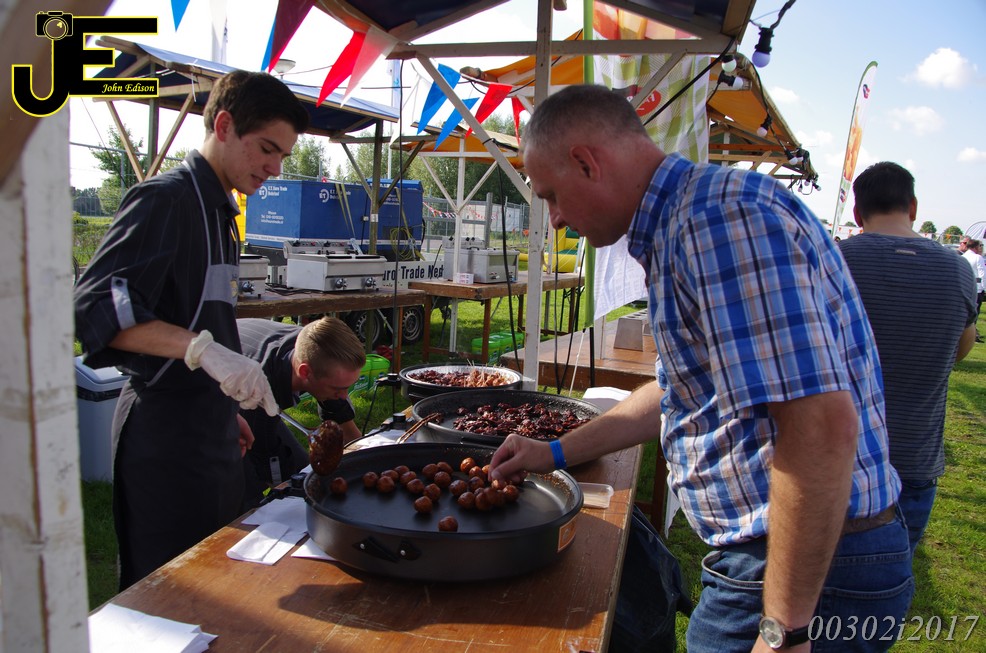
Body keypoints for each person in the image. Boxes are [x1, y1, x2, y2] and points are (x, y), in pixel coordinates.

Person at [489, 85, 912, 653]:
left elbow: (819, 425)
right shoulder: (686, 221)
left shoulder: (714, 221)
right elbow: (678, 391)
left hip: (805, 567)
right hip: (792, 557)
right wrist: (555, 451)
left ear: (586, 162)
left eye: (551, 196)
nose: (557, 218)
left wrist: (784, 631)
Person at [74, 70, 309, 590]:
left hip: (213, 429)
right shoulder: (167, 199)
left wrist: (222, 408)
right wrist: (202, 352)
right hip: (165, 438)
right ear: (224, 126)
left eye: (283, 156)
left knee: (217, 578)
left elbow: (198, 311)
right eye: (266, 148)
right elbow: (95, 307)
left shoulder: (222, 214)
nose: (274, 167)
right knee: (168, 592)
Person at [839, 162, 977, 555]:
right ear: (913, 207)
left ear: (857, 213)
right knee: (894, 572)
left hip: (841, 456)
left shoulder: (835, 260)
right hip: (915, 458)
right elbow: (960, 350)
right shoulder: (958, 270)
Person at [238, 317, 365, 511]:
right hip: (206, 392)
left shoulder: (317, 348)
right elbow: (264, 457)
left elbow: (347, 428)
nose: (344, 395)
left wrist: (368, 465)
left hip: (255, 363)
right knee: (245, 493)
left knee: (302, 469)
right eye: (338, 389)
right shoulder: (257, 391)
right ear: (305, 372)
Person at [961, 238, 985, 341]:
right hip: (977, 288)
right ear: (976, 247)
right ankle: (973, 335)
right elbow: (982, 274)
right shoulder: (978, 257)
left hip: (965, 287)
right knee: (975, 313)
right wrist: (984, 287)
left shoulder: (963, 257)